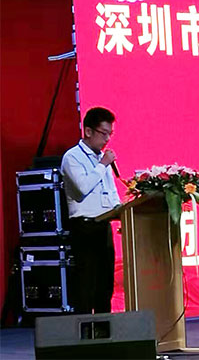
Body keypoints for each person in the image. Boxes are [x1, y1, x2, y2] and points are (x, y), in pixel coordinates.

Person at [61, 107, 121, 314]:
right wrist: (102, 165)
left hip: (103, 226)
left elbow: (111, 192)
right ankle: (85, 331)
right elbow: (82, 188)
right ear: (88, 131)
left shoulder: (101, 159)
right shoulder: (72, 157)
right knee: (86, 284)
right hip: (84, 227)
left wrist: (121, 211)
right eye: (103, 133)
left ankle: (104, 329)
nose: (107, 139)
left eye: (110, 134)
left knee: (105, 284)